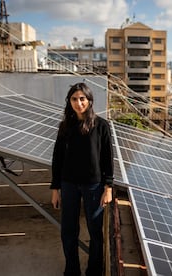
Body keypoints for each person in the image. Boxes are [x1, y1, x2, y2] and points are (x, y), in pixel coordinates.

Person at [50, 82, 114, 276]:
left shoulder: (101, 126)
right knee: (68, 231)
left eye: (82, 99)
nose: (78, 103)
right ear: (69, 102)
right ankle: (72, 270)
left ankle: (94, 271)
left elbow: (107, 158)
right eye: (74, 99)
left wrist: (108, 187)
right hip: (69, 185)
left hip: (94, 186)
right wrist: (55, 189)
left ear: (90, 101)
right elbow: (57, 158)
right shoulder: (65, 127)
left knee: (95, 232)